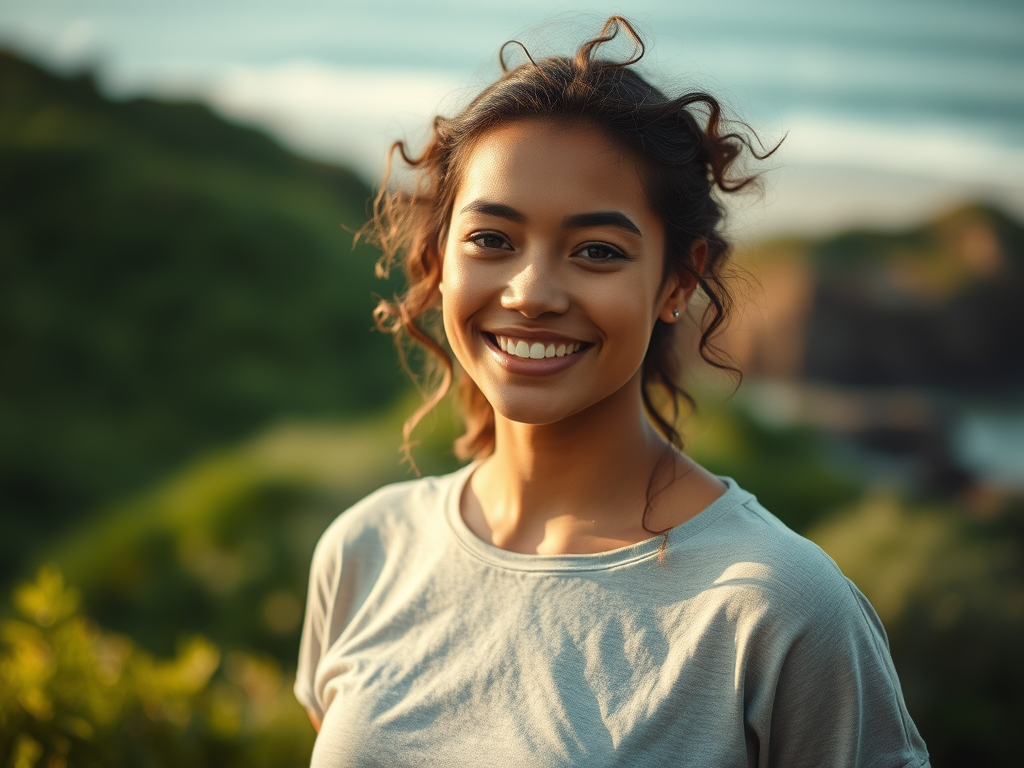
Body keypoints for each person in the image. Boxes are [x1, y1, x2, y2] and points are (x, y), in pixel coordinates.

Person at [295, 16, 930, 767]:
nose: (531, 293)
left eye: (597, 251)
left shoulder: (778, 609)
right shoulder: (364, 553)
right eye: (492, 240)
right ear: (438, 260)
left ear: (678, 281)